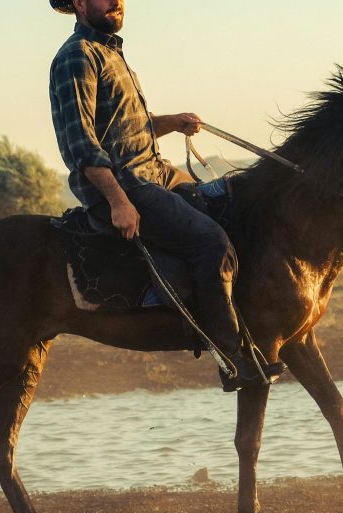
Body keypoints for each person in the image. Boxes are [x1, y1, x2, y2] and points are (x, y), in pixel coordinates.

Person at [48, 0, 263, 390]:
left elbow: (128, 127)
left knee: (224, 204)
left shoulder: (111, 52)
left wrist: (172, 122)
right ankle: (231, 359)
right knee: (209, 242)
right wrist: (117, 201)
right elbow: (81, 144)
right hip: (124, 183)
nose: (117, 2)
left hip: (154, 172)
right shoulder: (76, 58)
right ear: (79, 3)